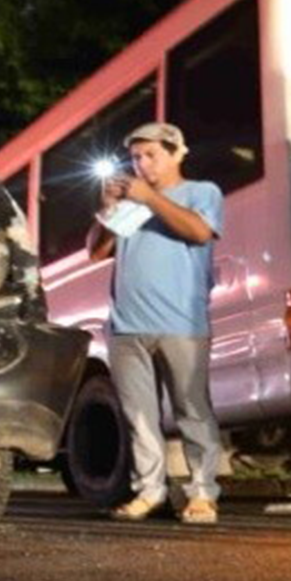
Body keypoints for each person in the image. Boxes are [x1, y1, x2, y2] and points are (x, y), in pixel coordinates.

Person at [87, 122, 226, 525]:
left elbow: (199, 232)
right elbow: (96, 252)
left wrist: (151, 197)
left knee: (192, 409)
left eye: (151, 155)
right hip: (127, 326)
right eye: (136, 157)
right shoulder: (131, 204)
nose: (142, 164)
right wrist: (108, 208)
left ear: (177, 153)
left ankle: (202, 494)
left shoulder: (202, 192)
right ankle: (149, 491)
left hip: (181, 322)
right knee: (140, 416)